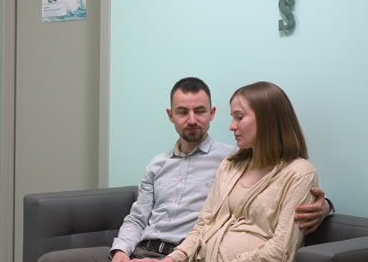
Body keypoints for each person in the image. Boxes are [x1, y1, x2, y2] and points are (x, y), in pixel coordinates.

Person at [37, 78, 331, 262]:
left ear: (211, 114)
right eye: (182, 112)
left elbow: (288, 197)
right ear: (171, 115)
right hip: (147, 251)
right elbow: (138, 218)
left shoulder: (230, 158)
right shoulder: (159, 164)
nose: (192, 120)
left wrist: (324, 206)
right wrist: (121, 254)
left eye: (200, 111)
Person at [141, 81, 320, 262]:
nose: (232, 126)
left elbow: (280, 251)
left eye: (239, 117)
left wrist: (325, 206)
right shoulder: (230, 165)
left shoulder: (298, 174)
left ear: (268, 120)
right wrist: (171, 260)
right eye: (232, 117)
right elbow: (203, 225)